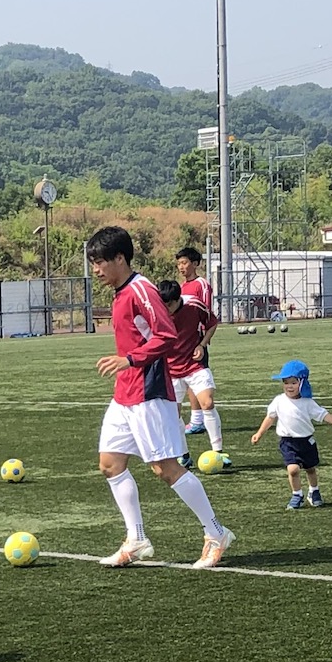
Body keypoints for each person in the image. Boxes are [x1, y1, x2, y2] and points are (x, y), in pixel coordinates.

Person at [85, 226, 233, 569]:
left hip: (149, 390)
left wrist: (130, 359)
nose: (96, 269)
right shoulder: (120, 292)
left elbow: (166, 335)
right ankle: (136, 539)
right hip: (125, 392)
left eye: (100, 262)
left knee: (165, 469)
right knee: (110, 464)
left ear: (119, 258)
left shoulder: (141, 289)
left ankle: (216, 533)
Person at [241, 358, 332, 509]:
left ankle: (314, 491)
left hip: (306, 441)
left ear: (302, 383)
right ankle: (297, 494)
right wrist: (259, 433)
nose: (289, 386)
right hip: (288, 442)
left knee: (310, 468)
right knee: (293, 469)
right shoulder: (279, 401)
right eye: (286, 382)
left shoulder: (307, 402)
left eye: (293, 382)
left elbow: (323, 415)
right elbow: (270, 417)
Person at [157, 278, 225, 466]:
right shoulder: (156, 309)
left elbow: (212, 323)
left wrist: (202, 345)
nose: (166, 310)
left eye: (169, 305)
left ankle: (219, 453)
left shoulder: (194, 305)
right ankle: (184, 455)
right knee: (173, 414)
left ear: (177, 299)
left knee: (207, 402)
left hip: (194, 365)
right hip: (170, 369)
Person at [174, 246, 217, 438]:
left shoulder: (202, 284)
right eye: (179, 264)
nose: (181, 267)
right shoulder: (181, 287)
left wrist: (203, 341)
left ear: (195, 264)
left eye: (184, 263)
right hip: (183, 342)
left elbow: (206, 312)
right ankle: (196, 419)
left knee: (195, 379)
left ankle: (197, 420)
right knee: (187, 380)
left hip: (197, 339)